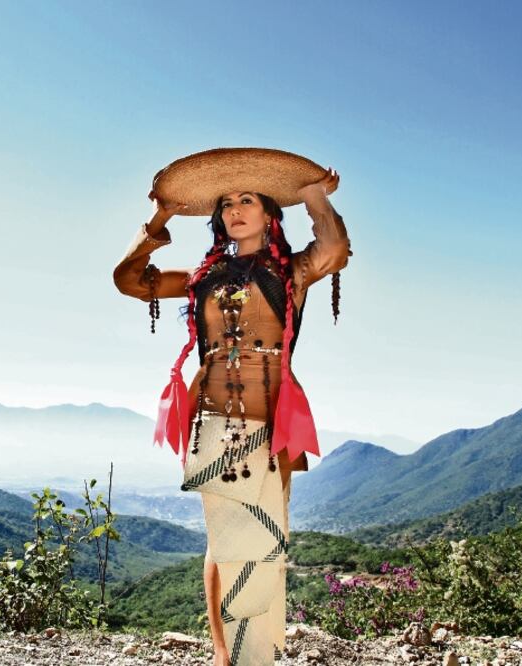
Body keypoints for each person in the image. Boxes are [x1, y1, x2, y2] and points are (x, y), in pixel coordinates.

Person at [114, 164, 350, 665]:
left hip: (274, 420)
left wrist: (315, 198)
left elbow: (333, 250)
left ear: (269, 216)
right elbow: (130, 281)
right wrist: (157, 221)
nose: (236, 209)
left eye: (248, 200)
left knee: (266, 536)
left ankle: (257, 654)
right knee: (222, 540)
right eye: (227, 203)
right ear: (219, 218)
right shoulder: (203, 278)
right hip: (214, 418)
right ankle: (224, 655)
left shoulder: (291, 271)